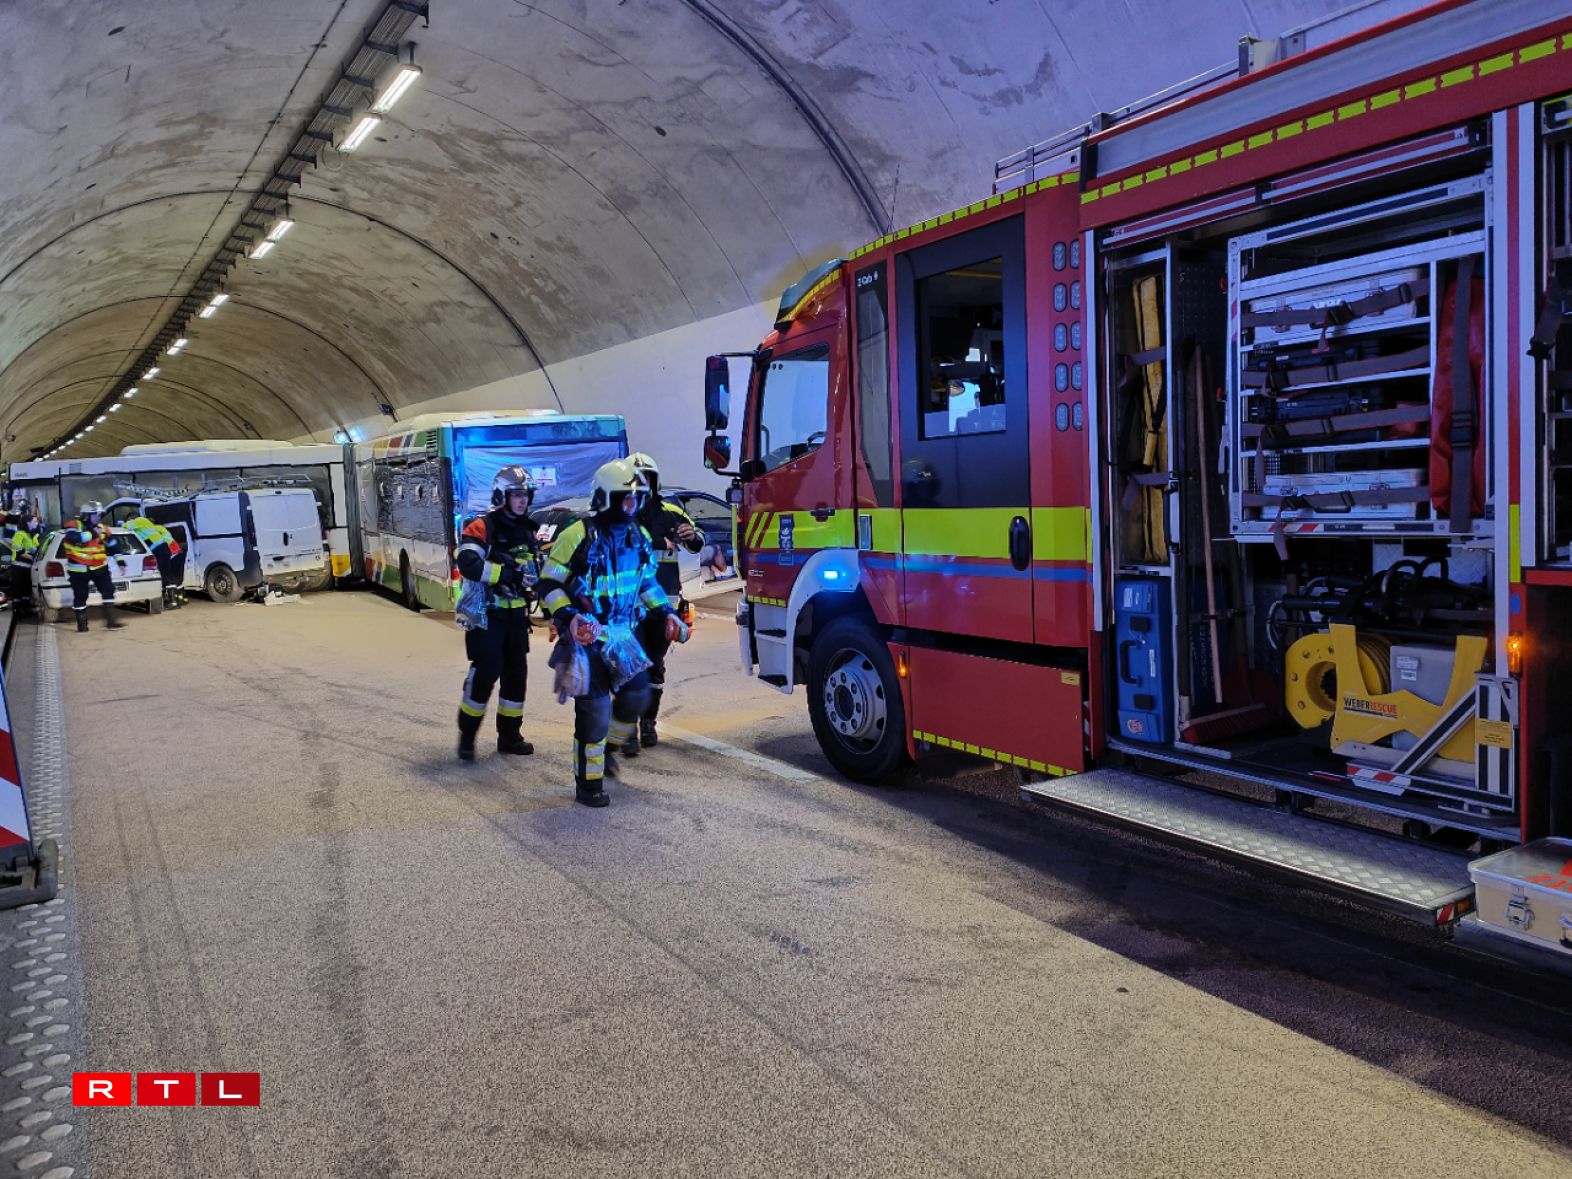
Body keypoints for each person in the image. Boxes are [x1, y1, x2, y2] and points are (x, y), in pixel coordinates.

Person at [537, 459, 687, 807]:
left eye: (637, 498)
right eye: (626, 498)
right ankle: (588, 785)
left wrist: (666, 613)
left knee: (636, 697)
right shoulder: (577, 535)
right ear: (606, 498)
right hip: (587, 637)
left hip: (622, 636)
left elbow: (646, 582)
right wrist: (569, 617)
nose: (633, 506)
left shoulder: (639, 536)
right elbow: (548, 584)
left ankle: (607, 750)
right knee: (595, 711)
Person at [453, 465, 540, 761]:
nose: (522, 501)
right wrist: (507, 574)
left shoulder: (528, 529)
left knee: (516, 678)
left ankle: (510, 737)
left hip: (517, 618)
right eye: (516, 495)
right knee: (485, 675)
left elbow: (533, 568)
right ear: (501, 496)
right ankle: (467, 736)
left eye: (526, 495)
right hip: (487, 617)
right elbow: (468, 563)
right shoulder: (481, 526)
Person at [628, 453, 704, 747]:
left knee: (655, 665)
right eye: (636, 479)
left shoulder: (671, 512)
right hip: (628, 607)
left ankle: (648, 722)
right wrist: (658, 542)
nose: (641, 484)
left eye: (646, 478)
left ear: (654, 482)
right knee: (629, 664)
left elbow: (697, 541)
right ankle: (625, 725)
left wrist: (692, 536)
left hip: (664, 605)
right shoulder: (621, 513)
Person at [61, 502, 123, 631]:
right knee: (80, 596)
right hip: (79, 569)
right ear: (86, 515)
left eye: (99, 514)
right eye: (95, 514)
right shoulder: (73, 525)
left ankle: (111, 622)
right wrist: (93, 533)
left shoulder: (103, 528)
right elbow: (74, 538)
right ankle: (82, 626)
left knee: (108, 591)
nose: (98, 517)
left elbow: (114, 546)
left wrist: (121, 563)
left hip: (100, 567)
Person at [125, 511, 185, 609]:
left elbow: (126, 526)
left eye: (128, 520)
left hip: (159, 549)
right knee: (167, 574)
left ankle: (173, 602)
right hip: (164, 549)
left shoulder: (139, 521)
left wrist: (120, 523)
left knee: (165, 574)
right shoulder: (146, 525)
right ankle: (175, 600)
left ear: (132, 518)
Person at [6, 515, 39, 616]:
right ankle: (18, 610)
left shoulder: (32, 535)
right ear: (28, 523)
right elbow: (18, 551)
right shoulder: (19, 534)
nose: (37, 523)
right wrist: (32, 557)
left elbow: (37, 549)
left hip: (28, 567)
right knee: (18, 590)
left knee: (26, 589)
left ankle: (26, 609)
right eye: (34, 521)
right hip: (19, 567)